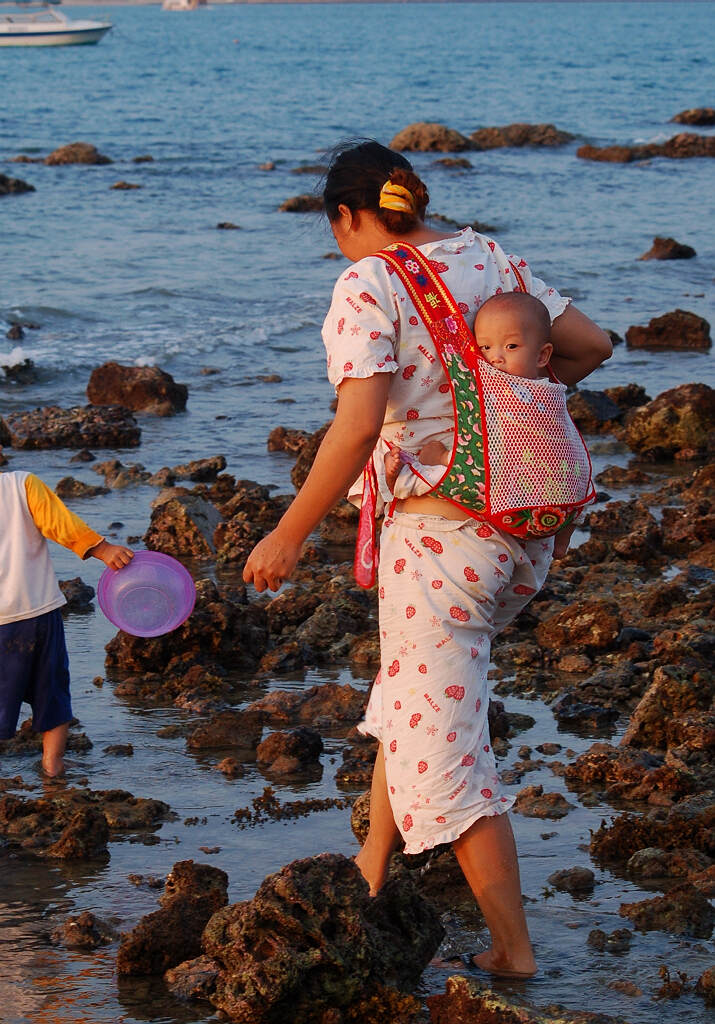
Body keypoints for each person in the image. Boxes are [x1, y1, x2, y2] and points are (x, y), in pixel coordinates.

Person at [243, 140, 612, 979]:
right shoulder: (486, 254)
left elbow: (360, 423)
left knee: (440, 750)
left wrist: (290, 529)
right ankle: (372, 872)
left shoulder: (365, 282)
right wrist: (512, 415)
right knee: (416, 695)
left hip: (441, 545)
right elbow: (590, 346)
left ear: (345, 215)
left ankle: (514, 953)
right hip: (525, 538)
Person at [0, 405, 133, 778]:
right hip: (42, 615)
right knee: (52, 693)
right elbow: (61, 525)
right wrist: (102, 549)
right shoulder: (22, 483)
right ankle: (52, 763)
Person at [383, 289, 578, 558]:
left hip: (507, 485)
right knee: (583, 486)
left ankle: (407, 477)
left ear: (543, 356)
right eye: (484, 348)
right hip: (543, 495)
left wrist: (443, 456)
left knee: (448, 472)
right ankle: (561, 539)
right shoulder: (550, 388)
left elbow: (485, 446)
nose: (495, 357)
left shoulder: (508, 392)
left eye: (511, 347)